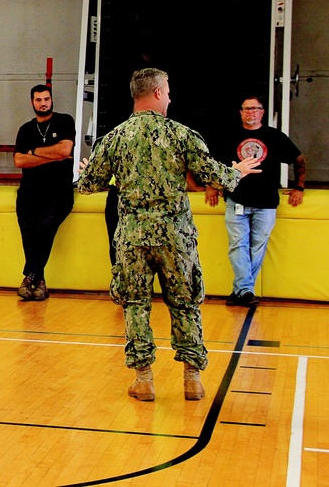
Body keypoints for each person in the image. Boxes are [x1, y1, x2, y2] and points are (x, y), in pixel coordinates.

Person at [77, 68, 259, 402]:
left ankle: (144, 379)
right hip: (176, 236)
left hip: (132, 237)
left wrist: (89, 172)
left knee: (135, 305)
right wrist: (237, 171)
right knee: (185, 303)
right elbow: (210, 176)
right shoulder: (182, 134)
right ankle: (192, 379)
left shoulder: (114, 138)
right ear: (158, 92)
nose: (171, 97)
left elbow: (89, 185)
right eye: (169, 91)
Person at [205, 95, 306, 307]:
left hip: (266, 202)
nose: (250, 112)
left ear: (262, 112)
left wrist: (299, 186)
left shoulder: (275, 136)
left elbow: (299, 158)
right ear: (240, 113)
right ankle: (245, 291)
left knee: (257, 247)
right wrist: (211, 186)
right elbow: (212, 164)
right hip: (237, 200)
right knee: (238, 245)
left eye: (255, 108)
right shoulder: (229, 136)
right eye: (246, 109)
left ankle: (240, 291)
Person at [12, 85, 76, 301]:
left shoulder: (64, 121)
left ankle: (29, 275)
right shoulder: (26, 129)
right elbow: (19, 160)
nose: (43, 103)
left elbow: (65, 150)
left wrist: (34, 152)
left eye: (46, 99)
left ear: (52, 100)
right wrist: (51, 155)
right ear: (32, 102)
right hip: (30, 191)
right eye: (38, 100)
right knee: (29, 235)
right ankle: (39, 283)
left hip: (59, 192)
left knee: (44, 228)